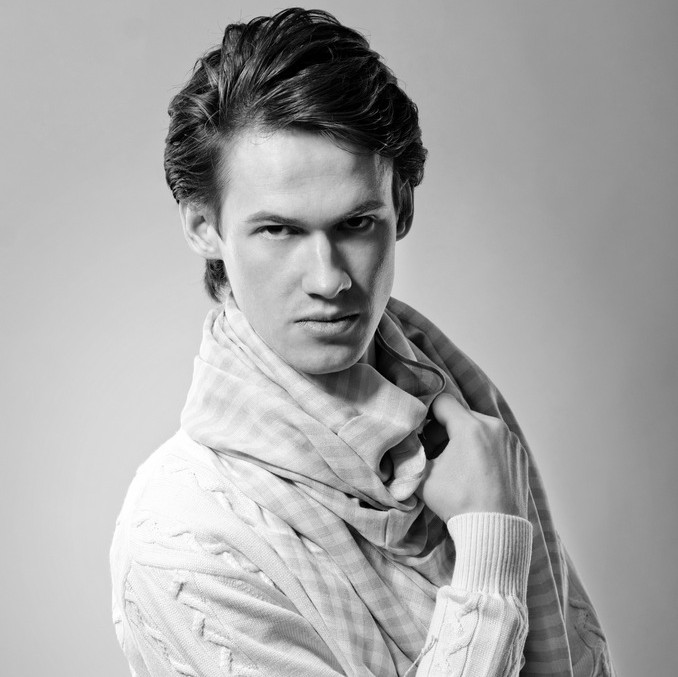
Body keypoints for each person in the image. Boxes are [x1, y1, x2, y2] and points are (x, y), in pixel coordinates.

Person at [110, 8, 617, 676]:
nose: (328, 280)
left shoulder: (462, 418)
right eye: (279, 230)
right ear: (204, 227)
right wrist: (488, 552)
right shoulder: (183, 537)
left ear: (400, 209)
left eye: (355, 223)